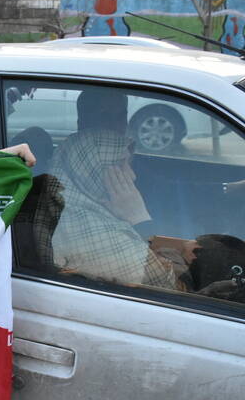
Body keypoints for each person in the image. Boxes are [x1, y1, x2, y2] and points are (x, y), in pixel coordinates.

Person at [49, 88, 177, 289]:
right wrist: (139, 218)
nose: (132, 175)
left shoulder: (72, 180)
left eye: (120, 117)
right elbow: (166, 283)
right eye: (105, 117)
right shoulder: (93, 234)